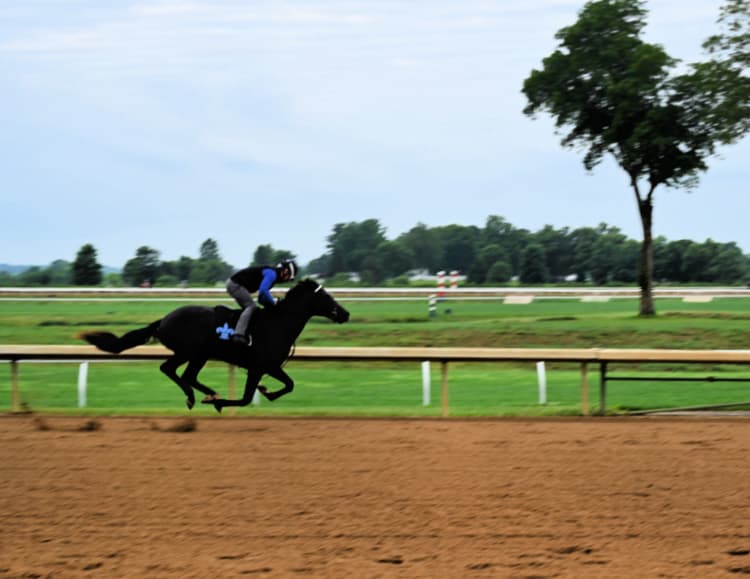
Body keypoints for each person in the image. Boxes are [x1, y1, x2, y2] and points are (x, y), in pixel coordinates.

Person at [226, 259, 297, 345]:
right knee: (251, 306)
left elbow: (261, 298)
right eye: (288, 277)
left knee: (253, 309)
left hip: (237, 284)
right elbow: (263, 291)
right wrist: (273, 303)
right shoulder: (272, 274)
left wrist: (272, 307)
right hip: (235, 284)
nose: (287, 280)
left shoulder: (273, 275)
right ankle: (238, 334)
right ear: (285, 271)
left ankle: (246, 332)